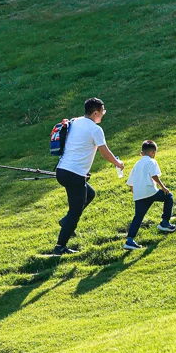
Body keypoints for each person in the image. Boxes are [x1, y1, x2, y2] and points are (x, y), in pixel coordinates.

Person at [52, 96, 124, 255]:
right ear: (96, 113)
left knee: (89, 194)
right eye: (103, 111)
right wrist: (118, 164)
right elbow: (105, 154)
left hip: (62, 170)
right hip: (74, 174)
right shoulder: (95, 129)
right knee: (75, 212)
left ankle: (67, 222)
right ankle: (60, 246)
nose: (104, 114)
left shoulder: (75, 121)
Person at [124, 139, 176, 250]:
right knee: (169, 196)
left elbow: (130, 183)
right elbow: (154, 176)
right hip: (150, 191)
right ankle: (165, 223)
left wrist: (135, 193)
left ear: (142, 152)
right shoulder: (152, 161)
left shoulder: (137, 164)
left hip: (139, 195)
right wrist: (163, 187)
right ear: (153, 153)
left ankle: (129, 240)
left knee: (138, 217)